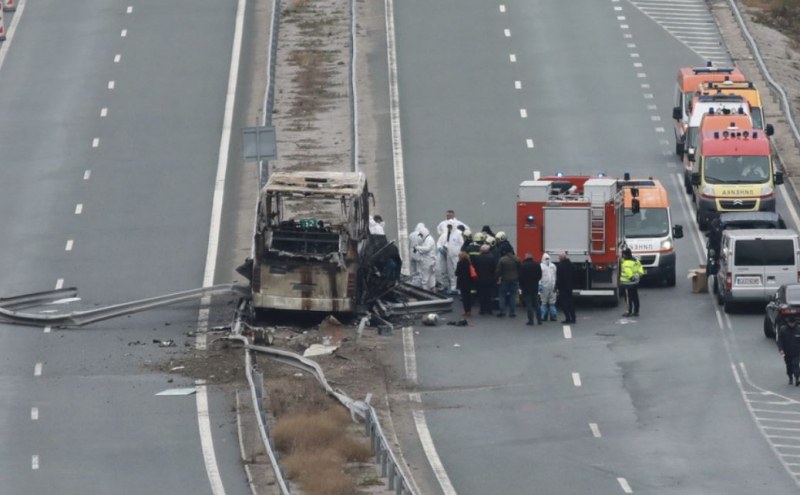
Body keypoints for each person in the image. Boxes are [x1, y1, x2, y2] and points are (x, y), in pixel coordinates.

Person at [437, 223, 463, 295]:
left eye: (450, 226)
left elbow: (461, 244)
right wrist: (445, 247)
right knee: (451, 272)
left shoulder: (459, 233)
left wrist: (460, 253)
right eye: (448, 226)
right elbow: (448, 243)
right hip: (449, 255)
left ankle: (459, 288)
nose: (449, 228)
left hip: (456, 256)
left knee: (457, 271)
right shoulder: (449, 234)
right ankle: (453, 287)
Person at [495, 247, 520, 318]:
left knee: (502, 295)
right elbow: (520, 269)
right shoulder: (517, 259)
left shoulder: (502, 259)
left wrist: (496, 278)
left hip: (504, 279)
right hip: (514, 279)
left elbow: (498, 270)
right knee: (513, 295)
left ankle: (502, 312)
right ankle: (512, 312)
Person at [519, 252, 543, 325]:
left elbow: (520, 277)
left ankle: (531, 320)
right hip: (534, 286)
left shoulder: (523, 265)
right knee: (536, 304)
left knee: (529, 305)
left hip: (526, 287)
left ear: (526, 257)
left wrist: (521, 285)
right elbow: (540, 275)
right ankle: (539, 320)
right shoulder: (537, 264)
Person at [620, 248, 645, 317]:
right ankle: (636, 311)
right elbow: (640, 269)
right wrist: (639, 275)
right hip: (635, 283)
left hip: (627, 283)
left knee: (628, 298)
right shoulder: (636, 261)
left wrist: (631, 277)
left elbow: (628, 271)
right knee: (635, 296)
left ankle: (628, 311)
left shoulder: (625, 263)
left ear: (624, 255)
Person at [473, 244, 497, 315]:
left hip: (480, 279)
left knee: (481, 295)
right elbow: (494, 269)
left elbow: (474, 267)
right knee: (489, 295)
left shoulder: (477, 258)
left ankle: (482, 309)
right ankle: (489, 310)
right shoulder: (492, 258)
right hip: (489, 279)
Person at [777, 317, 800, 386]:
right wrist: (781, 349)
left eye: (793, 323)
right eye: (790, 323)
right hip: (787, 352)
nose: (792, 324)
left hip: (797, 351)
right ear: (788, 322)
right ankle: (790, 377)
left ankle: (797, 379)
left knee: (795, 364)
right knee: (789, 365)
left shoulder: (799, 329)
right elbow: (779, 341)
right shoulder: (783, 329)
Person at [556, 252, 576, 324]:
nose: (558, 258)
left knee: (563, 303)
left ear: (561, 258)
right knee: (570, 302)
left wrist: (557, 286)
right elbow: (575, 274)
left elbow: (559, 278)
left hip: (563, 287)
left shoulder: (560, 266)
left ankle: (567, 317)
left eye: (559, 257)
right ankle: (573, 318)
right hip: (570, 286)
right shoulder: (571, 265)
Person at [414, 226, 437, 290]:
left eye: (421, 235)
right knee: (431, 275)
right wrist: (420, 249)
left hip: (428, 261)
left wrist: (418, 247)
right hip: (431, 260)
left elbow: (427, 249)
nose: (421, 237)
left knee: (425, 276)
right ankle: (432, 288)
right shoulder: (427, 239)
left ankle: (425, 290)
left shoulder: (429, 240)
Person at [455, 252, 475, 317]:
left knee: (464, 297)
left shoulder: (460, 263)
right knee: (468, 296)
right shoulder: (469, 263)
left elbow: (457, 273)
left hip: (462, 282)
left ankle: (466, 311)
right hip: (469, 281)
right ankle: (469, 310)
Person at [540, 253, 558, 322]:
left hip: (552, 286)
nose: (547, 260)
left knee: (552, 302)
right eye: (546, 259)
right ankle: (544, 316)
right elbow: (539, 277)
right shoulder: (541, 266)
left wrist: (556, 284)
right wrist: (540, 284)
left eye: (548, 259)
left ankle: (552, 316)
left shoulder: (553, 266)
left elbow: (555, 276)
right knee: (544, 301)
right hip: (544, 286)